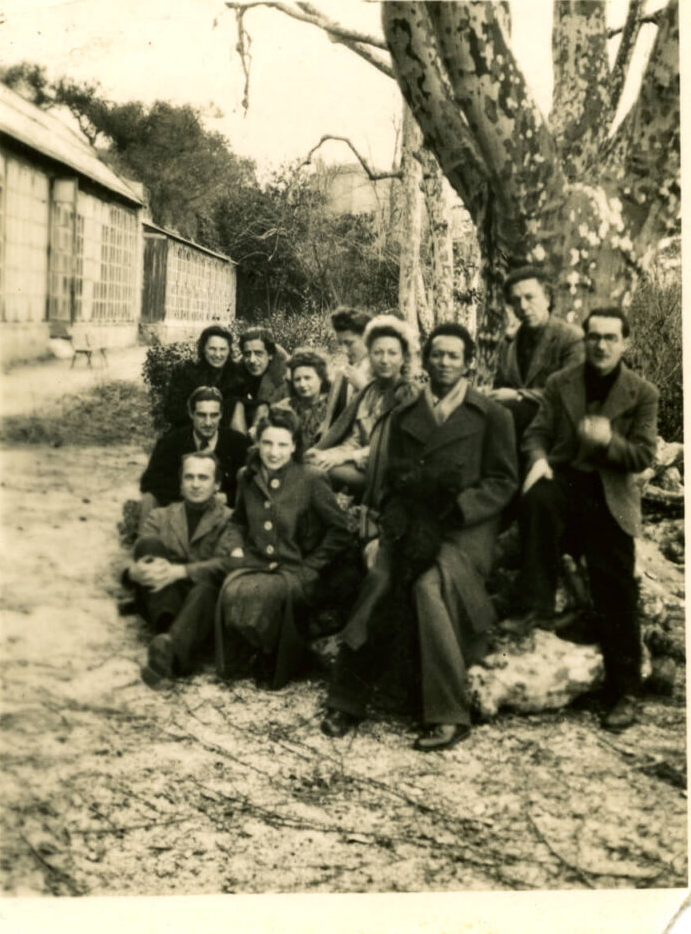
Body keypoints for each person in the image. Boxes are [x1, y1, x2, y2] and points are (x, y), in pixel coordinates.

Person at [320, 323, 518, 751]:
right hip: (412, 522)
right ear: (426, 360)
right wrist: (388, 525)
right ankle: (346, 699)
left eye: (453, 356)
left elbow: (504, 481)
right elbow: (391, 480)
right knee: (380, 578)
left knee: (429, 586)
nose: (444, 363)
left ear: (468, 363)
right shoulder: (406, 414)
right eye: (437, 354)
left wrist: (459, 508)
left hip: (464, 530)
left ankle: (448, 713)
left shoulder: (491, 415)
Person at [505, 306, 658, 732]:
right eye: (594, 337)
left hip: (608, 493)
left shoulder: (642, 393)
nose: (601, 345)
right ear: (585, 339)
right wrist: (538, 459)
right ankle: (535, 603)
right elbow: (536, 433)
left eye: (611, 338)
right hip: (566, 482)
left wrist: (609, 441)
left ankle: (625, 689)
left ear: (625, 343)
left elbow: (644, 456)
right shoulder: (561, 382)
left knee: (615, 584)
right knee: (536, 498)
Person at [178, 407, 351, 690]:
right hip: (255, 561)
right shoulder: (247, 475)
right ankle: (247, 651)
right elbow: (238, 521)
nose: (274, 452)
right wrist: (235, 546)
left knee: (263, 595)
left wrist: (311, 567)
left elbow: (338, 530)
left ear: (294, 446)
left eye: (282, 444)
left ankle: (271, 655)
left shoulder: (311, 478)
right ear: (257, 443)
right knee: (231, 592)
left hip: (294, 567)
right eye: (267, 443)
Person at [125, 451, 237, 687]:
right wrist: (133, 573)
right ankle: (171, 637)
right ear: (181, 483)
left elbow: (227, 563)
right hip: (163, 600)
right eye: (189, 477)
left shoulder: (231, 519)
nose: (195, 484)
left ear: (217, 484)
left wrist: (180, 571)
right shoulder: (160, 516)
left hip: (202, 603)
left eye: (203, 478)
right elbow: (142, 553)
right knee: (148, 544)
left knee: (207, 587)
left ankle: (171, 650)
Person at [306, 315, 417, 501]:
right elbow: (355, 439)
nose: (384, 360)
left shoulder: (409, 394)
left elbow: (394, 450)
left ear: (404, 357)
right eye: (377, 352)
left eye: (392, 353)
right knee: (308, 462)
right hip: (360, 464)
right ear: (369, 355)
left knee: (313, 473)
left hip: (388, 474)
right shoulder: (370, 392)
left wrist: (344, 457)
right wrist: (328, 454)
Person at [490, 266, 585, 440]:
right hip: (513, 434)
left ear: (547, 299)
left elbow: (570, 393)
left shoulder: (570, 338)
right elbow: (500, 387)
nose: (523, 306)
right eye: (516, 300)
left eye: (529, 297)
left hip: (555, 435)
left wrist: (518, 396)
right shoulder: (509, 343)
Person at [139, 387, 250, 521]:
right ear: (191, 414)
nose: (208, 423)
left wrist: (228, 497)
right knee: (148, 499)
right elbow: (149, 483)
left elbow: (249, 483)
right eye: (202, 415)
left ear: (221, 415)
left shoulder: (238, 443)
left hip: (223, 516)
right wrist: (188, 495)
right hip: (181, 514)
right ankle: (148, 534)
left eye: (214, 415)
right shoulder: (171, 442)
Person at [162, 324, 243, 429]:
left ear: (229, 351)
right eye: (212, 349)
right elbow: (171, 412)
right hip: (190, 430)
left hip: (224, 431)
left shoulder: (236, 374)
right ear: (203, 349)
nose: (217, 354)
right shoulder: (186, 372)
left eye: (222, 349)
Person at [321, 306, 373, 435]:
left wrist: (363, 386)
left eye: (349, 343)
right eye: (340, 344)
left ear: (367, 338)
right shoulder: (343, 374)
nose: (344, 350)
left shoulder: (383, 370)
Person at [232, 327, 290, 435]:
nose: (252, 360)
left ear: (270, 355)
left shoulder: (286, 378)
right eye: (247, 354)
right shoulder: (238, 371)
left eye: (258, 353)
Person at [272, 349, 332, 449]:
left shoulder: (331, 405)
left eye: (307, 378)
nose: (302, 384)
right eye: (297, 379)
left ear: (321, 379)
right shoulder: (285, 407)